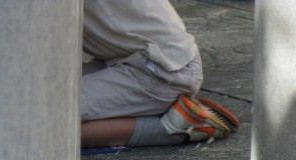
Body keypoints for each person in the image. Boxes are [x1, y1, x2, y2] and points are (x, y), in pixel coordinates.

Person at [81, 0, 238, 148]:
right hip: (130, 58)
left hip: (161, 71)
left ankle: (173, 127)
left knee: (58, 121)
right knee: (59, 95)